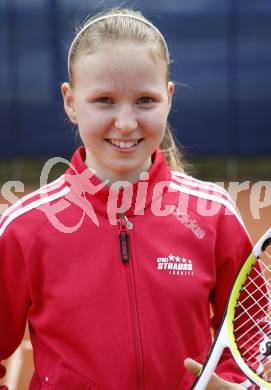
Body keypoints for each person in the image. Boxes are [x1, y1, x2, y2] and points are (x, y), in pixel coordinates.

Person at [0, 7, 256, 389]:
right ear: (70, 102)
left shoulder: (214, 215)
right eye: (103, 100)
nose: (125, 122)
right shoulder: (25, 229)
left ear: (169, 98)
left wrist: (240, 384)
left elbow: (251, 330)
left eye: (145, 101)